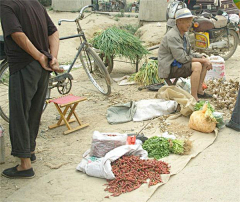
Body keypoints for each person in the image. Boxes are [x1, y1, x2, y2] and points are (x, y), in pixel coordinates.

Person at [0, 0, 63, 178]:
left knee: (19, 113)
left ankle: (25, 165)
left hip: (24, 66)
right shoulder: (35, 3)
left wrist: (38, 56)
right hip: (43, 66)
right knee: (34, 111)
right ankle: (30, 151)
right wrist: (52, 57)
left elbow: (17, 34)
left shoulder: (6, 5)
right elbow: (54, 32)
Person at [158, 8, 212, 101]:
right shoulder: (172, 36)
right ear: (179, 22)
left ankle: (199, 90)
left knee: (204, 61)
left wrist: (202, 57)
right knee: (197, 65)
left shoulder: (184, 34)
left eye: (190, 21)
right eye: (187, 21)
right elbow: (182, 58)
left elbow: (189, 53)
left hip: (178, 64)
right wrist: (202, 60)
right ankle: (193, 97)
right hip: (169, 67)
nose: (189, 24)